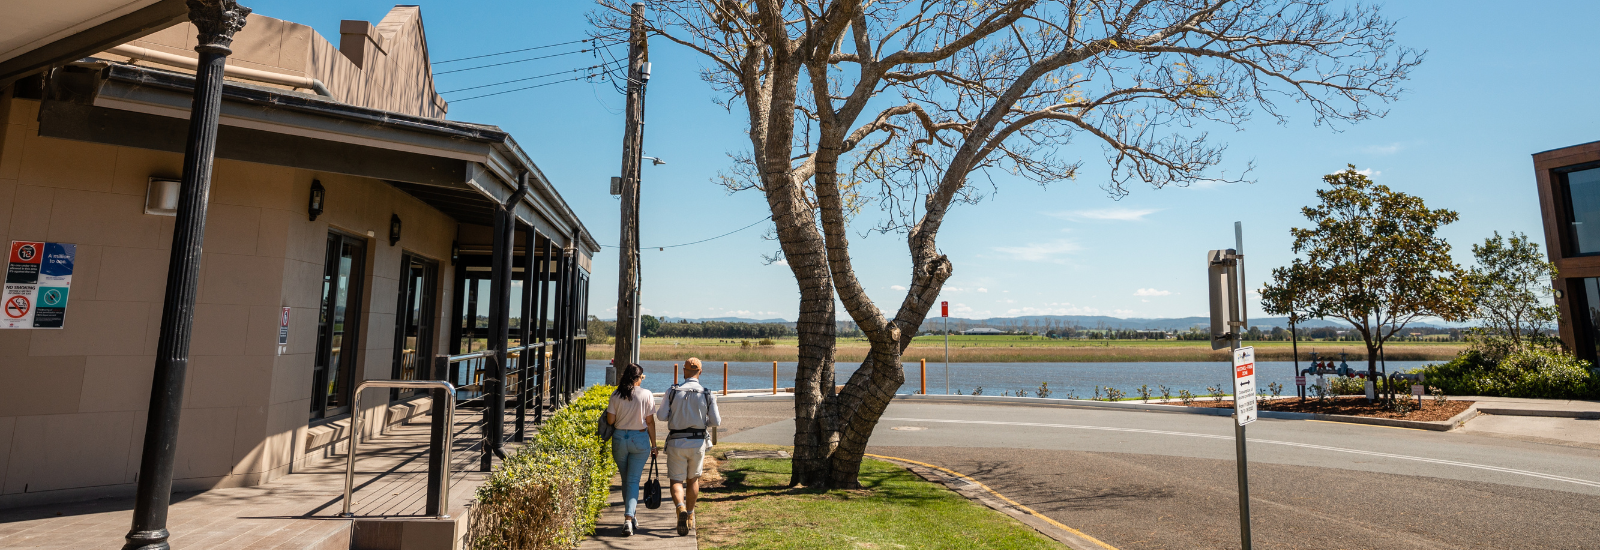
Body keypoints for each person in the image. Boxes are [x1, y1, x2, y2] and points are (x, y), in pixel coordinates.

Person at [656, 357, 721, 536]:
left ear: (683, 372)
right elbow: (716, 421)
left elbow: (661, 416)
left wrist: (675, 416)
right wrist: (701, 421)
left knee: (676, 480)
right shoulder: (707, 393)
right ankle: (691, 514)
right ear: (700, 372)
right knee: (693, 479)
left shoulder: (672, 391)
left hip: (677, 441)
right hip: (697, 442)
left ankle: (680, 508)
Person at [604, 363, 657, 537]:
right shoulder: (647, 394)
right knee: (633, 480)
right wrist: (654, 445)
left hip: (620, 439)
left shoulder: (616, 394)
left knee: (626, 480)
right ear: (638, 377)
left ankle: (631, 516)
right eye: (642, 377)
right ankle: (628, 518)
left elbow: (610, 421)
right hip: (640, 439)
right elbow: (650, 422)